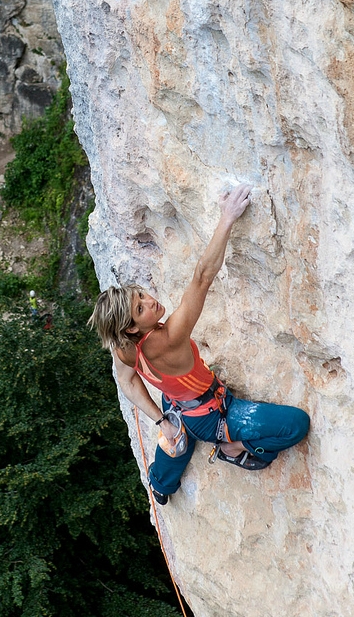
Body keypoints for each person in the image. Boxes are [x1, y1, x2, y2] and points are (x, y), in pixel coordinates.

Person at [88, 184, 310, 505]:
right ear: (133, 328)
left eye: (141, 295)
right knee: (296, 426)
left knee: (176, 436)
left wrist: (163, 422)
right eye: (140, 308)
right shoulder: (170, 336)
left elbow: (126, 380)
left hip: (174, 404)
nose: (150, 301)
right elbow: (202, 277)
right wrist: (228, 217)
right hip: (211, 417)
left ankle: (161, 484)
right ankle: (233, 448)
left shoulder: (123, 348)